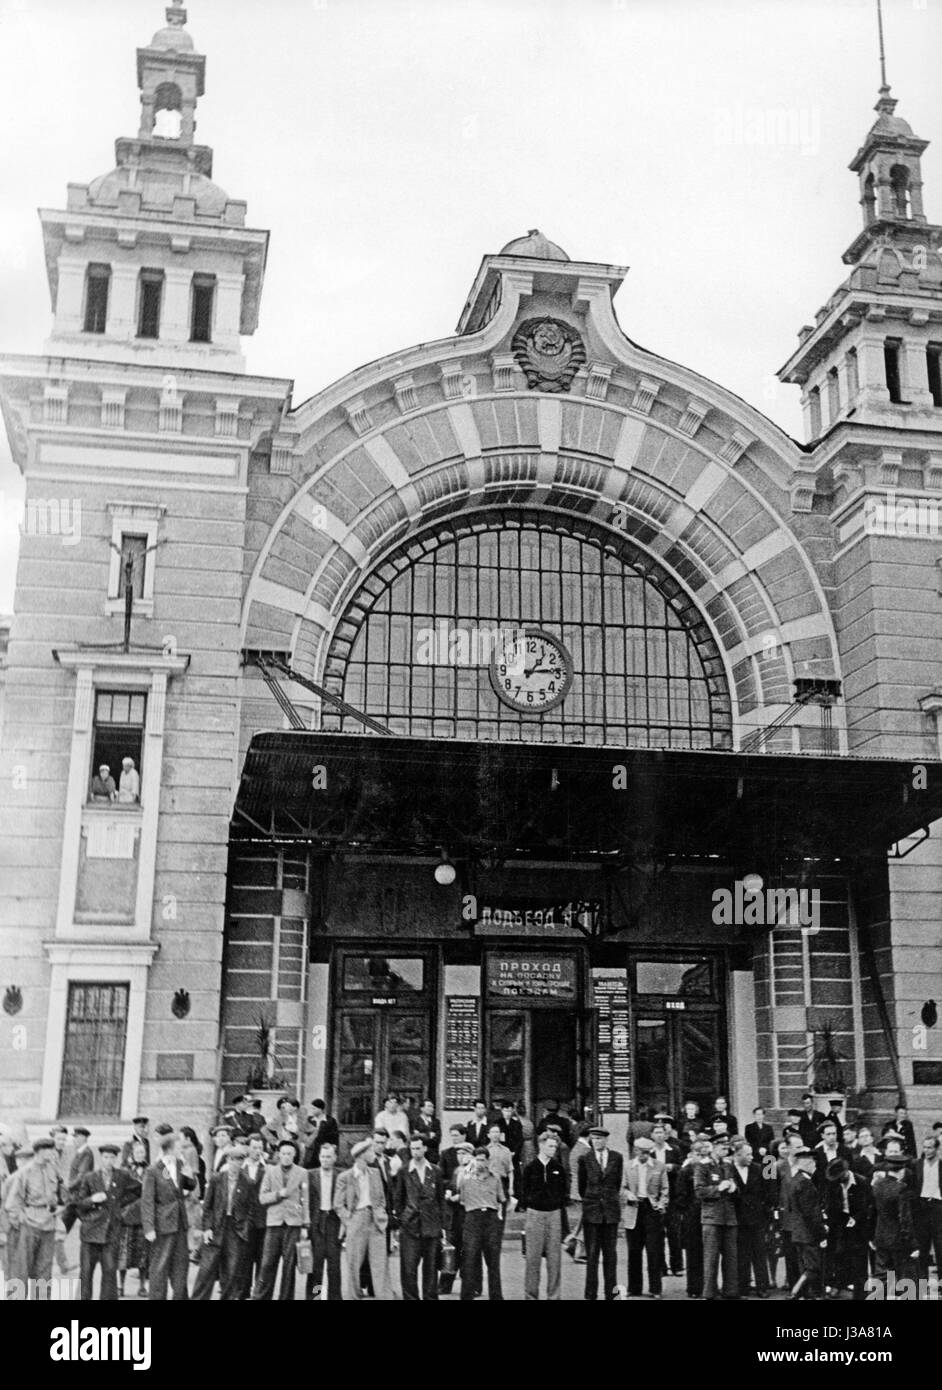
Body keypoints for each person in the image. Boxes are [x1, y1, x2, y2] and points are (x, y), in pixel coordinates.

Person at [2, 1136, 64, 1299]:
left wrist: (57, 1207)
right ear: (39, 1152)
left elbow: (59, 1193)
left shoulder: (52, 1170)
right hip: (28, 1225)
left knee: (44, 1272)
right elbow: (12, 1203)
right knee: (20, 1271)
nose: (52, 1152)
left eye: (52, 1149)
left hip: (48, 1225)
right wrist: (19, 1224)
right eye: (48, 1150)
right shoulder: (25, 1172)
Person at [192, 1143, 254, 1301]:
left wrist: (244, 1229)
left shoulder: (248, 1182)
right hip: (216, 1227)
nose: (235, 1164)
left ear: (243, 1163)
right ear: (227, 1160)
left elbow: (251, 1209)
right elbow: (207, 1207)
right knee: (206, 1270)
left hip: (235, 1230)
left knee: (231, 1271)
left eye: (239, 1161)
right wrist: (207, 1228)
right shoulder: (217, 1179)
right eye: (233, 1160)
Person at [142, 1126, 196, 1301]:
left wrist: (190, 1178)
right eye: (180, 1146)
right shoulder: (153, 1170)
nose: (183, 1149)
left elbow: (189, 1186)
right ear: (170, 1148)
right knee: (160, 1266)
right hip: (162, 1224)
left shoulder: (181, 1165)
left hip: (180, 1223)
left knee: (181, 1265)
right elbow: (147, 1201)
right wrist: (149, 1227)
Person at [251, 1139, 309, 1300]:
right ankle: (261, 1297)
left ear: (294, 1155)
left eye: (289, 1154)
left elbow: (305, 1200)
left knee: (289, 1265)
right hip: (274, 1222)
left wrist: (305, 1224)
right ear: (278, 1154)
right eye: (283, 1153)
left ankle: (286, 1297)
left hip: (293, 1224)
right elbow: (262, 1197)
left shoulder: (302, 1173)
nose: (286, 1157)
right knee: (267, 1263)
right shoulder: (270, 1172)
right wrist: (278, 1194)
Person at [75, 1142, 133, 1301]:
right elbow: (79, 1204)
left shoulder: (123, 1176)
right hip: (90, 1232)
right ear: (101, 1158)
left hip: (111, 1231)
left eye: (112, 1157)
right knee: (86, 1272)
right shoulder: (90, 1177)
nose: (108, 1160)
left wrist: (121, 1208)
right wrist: (92, 1199)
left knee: (109, 1271)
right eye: (105, 1157)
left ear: (116, 1159)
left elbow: (138, 1191)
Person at [335, 1138, 390, 1300]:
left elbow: (381, 1199)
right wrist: (349, 1221)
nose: (374, 1154)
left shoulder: (376, 1173)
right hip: (356, 1219)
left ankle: (384, 1296)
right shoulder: (346, 1177)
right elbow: (338, 1204)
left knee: (380, 1262)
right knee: (353, 1262)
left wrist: (381, 1214)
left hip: (376, 1220)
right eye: (371, 1151)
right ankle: (354, 1295)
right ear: (361, 1155)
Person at [393, 1134, 445, 1301]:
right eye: (412, 1148)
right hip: (410, 1227)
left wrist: (441, 1225)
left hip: (431, 1226)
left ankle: (430, 1297)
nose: (415, 1151)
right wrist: (403, 1218)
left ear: (425, 1148)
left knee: (431, 1269)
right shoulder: (404, 1171)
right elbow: (398, 1199)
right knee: (409, 1269)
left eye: (418, 1148)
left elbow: (440, 1199)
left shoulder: (435, 1171)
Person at [518, 1130, 568, 1300]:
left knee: (555, 1260)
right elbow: (523, 1191)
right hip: (535, 1215)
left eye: (555, 1146)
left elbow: (563, 1192)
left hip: (554, 1215)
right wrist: (531, 1203)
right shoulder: (531, 1168)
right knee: (533, 1260)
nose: (553, 1149)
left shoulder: (558, 1168)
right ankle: (530, 1295)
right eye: (550, 1146)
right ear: (541, 1145)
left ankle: (554, 1295)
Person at [578, 1126, 623, 1301]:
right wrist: (591, 1200)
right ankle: (590, 1295)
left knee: (611, 1256)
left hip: (610, 1212)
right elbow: (582, 1185)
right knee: (592, 1256)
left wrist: (609, 1199)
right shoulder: (585, 1158)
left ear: (606, 1140)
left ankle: (611, 1294)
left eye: (599, 1139)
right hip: (592, 1211)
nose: (596, 1142)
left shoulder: (616, 1158)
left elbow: (617, 1183)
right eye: (594, 1139)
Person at [454, 1147, 504, 1300]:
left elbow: (501, 1199)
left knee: (493, 1262)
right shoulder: (465, 1178)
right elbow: (461, 1197)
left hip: (491, 1218)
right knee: (469, 1259)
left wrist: (498, 1217)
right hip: (473, 1218)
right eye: (477, 1159)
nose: (480, 1163)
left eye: (483, 1159)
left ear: (488, 1161)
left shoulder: (495, 1178)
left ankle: (496, 1296)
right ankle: (467, 1296)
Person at [622, 1135, 668, 1297]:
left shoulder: (659, 1166)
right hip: (634, 1208)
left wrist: (661, 1203)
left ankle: (655, 1288)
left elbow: (665, 1189)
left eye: (648, 1153)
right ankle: (634, 1288)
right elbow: (622, 1188)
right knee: (634, 1251)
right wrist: (628, 1195)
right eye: (642, 1153)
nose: (645, 1156)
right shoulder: (627, 1166)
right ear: (635, 1151)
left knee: (654, 1250)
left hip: (651, 1210)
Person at [695, 1133, 739, 1300]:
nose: (725, 1150)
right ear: (712, 1147)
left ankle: (731, 1291)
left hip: (729, 1216)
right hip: (712, 1217)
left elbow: (735, 1187)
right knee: (711, 1257)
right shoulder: (702, 1166)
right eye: (722, 1147)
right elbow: (699, 1191)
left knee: (731, 1257)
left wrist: (734, 1188)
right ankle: (709, 1292)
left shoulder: (728, 1165)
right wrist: (718, 1188)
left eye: (727, 1147)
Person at [823, 1157, 873, 1300]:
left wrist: (856, 1219)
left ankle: (860, 1294)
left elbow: (867, 1205)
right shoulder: (834, 1183)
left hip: (859, 1226)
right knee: (840, 1256)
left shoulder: (862, 1182)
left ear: (847, 1171)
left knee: (859, 1260)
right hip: (840, 1224)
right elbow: (830, 1204)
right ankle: (839, 1286)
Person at [871, 1150, 918, 1293]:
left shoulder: (877, 1185)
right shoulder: (901, 1189)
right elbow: (905, 1219)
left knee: (881, 1279)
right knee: (907, 1280)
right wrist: (913, 1244)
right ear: (902, 1170)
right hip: (899, 1241)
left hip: (880, 1237)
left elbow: (872, 1212)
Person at [730, 1137, 770, 1298]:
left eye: (752, 1154)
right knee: (742, 1255)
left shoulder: (760, 1168)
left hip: (757, 1218)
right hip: (738, 1219)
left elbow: (768, 1190)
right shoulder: (728, 1170)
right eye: (748, 1154)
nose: (752, 1157)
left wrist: (766, 1211)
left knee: (760, 1253)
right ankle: (743, 1288)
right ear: (737, 1155)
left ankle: (762, 1287)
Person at [788, 1146, 827, 1300]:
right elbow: (811, 1213)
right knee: (813, 1267)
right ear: (804, 1164)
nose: (815, 1165)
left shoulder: (794, 1180)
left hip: (798, 1232)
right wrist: (822, 1232)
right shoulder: (806, 1183)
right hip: (808, 1233)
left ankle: (806, 1295)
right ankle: (795, 1293)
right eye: (812, 1162)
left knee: (805, 1266)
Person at [306, 1141, 342, 1300]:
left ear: (335, 1158)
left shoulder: (341, 1175)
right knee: (316, 1265)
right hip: (316, 1221)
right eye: (322, 1156)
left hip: (334, 1221)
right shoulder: (310, 1175)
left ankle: (335, 1297)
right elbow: (304, 1200)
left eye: (328, 1157)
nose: (325, 1160)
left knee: (334, 1265)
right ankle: (315, 1296)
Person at [650, 1120, 683, 1276]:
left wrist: (673, 1167)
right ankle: (661, 1266)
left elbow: (682, 1167)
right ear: (652, 1135)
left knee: (674, 1232)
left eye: (661, 1132)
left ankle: (677, 1266)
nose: (659, 1135)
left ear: (666, 1134)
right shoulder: (649, 1152)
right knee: (657, 1233)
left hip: (672, 1195)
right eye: (656, 1132)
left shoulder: (674, 1150)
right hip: (655, 1197)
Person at [676, 1135, 707, 1297]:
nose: (702, 1159)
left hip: (708, 1215)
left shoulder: (708, 1170)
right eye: (699, 1155)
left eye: (704, 1155)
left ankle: (708, 1286)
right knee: (693, 1253)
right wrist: (690, 1209)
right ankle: (694, 1287)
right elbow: (680, 1196)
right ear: (692, 1154)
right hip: (692, 1217)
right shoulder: (686, 1171)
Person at [116, 1139, 149, 1298]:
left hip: (144, 1217)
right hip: (127, 1216)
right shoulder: (124, 1171)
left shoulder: (150, 1170)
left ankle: (142, 1286)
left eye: (143, 1152)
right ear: (132, 1154)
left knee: (143, 1253)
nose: (140, 1155)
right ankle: (121, 1285)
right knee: (124, 1253)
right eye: (137, 1152)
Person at [240, 1131, 269, 1299]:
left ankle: (259, 1294)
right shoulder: (240, 1168)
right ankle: (243, 1292)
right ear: (248, 1148)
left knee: (261, 1259)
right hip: (243, 1221)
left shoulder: (268, 1168)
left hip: (262, 1220)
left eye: (260, 1148)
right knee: (244, 1259)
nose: (257, 1151)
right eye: (254, 1147)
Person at [913, 1133, 942, 1287]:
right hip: (922, 1208)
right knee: (922, 1246)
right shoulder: (917, 1164)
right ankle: (921, 1282)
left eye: (930, 1147)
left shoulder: (941, 1165)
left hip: (938, 1208)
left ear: (937, 1149)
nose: (927, 1150)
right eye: (925, 1147)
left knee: (940, 1246)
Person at [300, 1099, 340, 1168]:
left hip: (324, 1151)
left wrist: (333, 1148)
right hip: (310, 1152)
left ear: (320, 1109)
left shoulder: (330, 1121)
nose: (312, 1110)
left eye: (314, 1108)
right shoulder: (309, 1120)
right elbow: (303, 1133)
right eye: (311, 1108)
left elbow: (334, 1137)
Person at [411, 1098, 441, 1163]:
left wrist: (422, 1135)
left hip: (433, 1156)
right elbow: (415, 1139)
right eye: (429, 1106)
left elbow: (437, 1140)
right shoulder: (415, 1121)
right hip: (419, 1155)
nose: (432, 1109)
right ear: (422, 1108)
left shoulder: (436, 1122)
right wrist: (429, 1135)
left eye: (432, 1107)